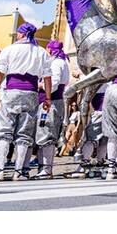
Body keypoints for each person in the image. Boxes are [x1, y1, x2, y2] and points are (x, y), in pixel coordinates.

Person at [0, 22, 51, 182]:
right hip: (31, 92)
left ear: (21, 34)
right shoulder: (41, 52)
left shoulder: (9, 49)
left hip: (11, 91)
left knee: (3, 131)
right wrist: (47, 98)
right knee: (24, 133)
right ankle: (20, 172)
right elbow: (47, 77)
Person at [34, 39, 70, 179]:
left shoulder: (55, 63)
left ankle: (46, 168)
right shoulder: (63, 62)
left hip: (50, 101)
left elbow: (53, 85)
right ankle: (44, 167)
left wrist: (39, 85)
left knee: (46, 132)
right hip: (57, 101)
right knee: (49, 132)